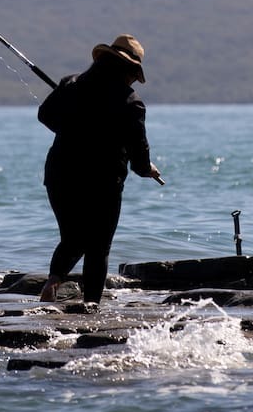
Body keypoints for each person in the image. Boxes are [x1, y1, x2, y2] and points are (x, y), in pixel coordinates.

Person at [38, 34, 161, 305]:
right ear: (129, 70)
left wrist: (73, 127)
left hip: (60, 175)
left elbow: (45, 115)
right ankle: (91, 307)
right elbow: (139, 155)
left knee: (73, 237)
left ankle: (54, 279)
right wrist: (148, 169)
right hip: (103, 182)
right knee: (98, 246)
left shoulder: (71, 84)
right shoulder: (131, 103)